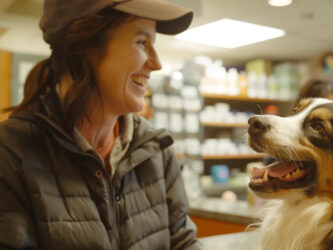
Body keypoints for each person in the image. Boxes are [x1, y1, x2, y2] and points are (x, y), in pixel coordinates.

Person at [0, 0, 203, 249]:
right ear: (83, 48)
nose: (157, 63)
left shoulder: (157, 150)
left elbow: (183, 243)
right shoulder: (10, 154)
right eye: (142, 42)